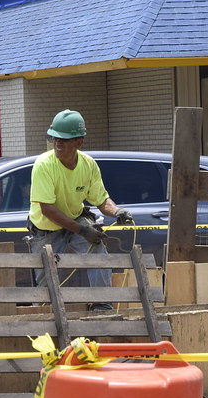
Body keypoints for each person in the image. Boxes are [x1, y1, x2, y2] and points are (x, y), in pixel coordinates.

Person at [27, 109, 133, 311]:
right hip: (46, 228)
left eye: (64, 139)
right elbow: (47, 209)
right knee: (44, 280)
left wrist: (117, 211)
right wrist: (82, 229)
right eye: (55, 137)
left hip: (74, 221)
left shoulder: (88, 164)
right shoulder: (44, 165)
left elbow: (101, 199)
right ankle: (42, 312)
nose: (57, 143)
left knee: (97, 250)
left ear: (78, 142)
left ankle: (102, 307)